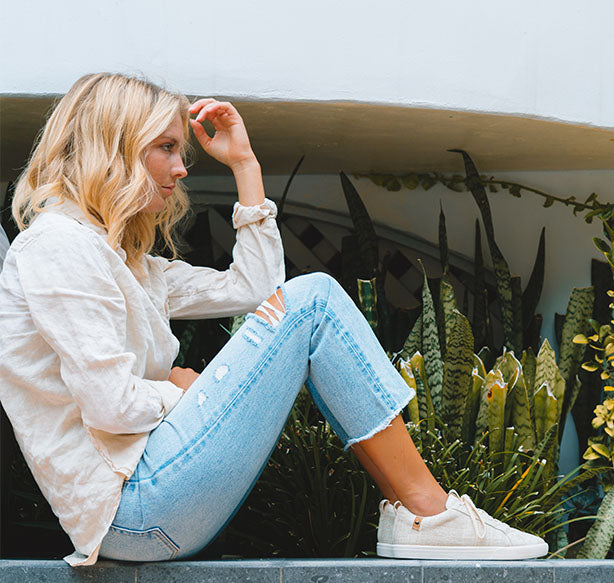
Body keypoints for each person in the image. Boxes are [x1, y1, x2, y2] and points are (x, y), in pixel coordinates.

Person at [0, 73, 546, 566]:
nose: (181, 167)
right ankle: (431, 511)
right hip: (133, 506)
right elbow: (112, 406)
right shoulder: (58, 246)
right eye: (165, 147)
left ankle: (417, 515)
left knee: (306, 302)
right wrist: (179, 388)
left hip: (153, 491)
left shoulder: (127, 262)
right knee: (311, 303)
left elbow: (257, 288)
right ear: (112, 148)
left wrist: (245, 165)